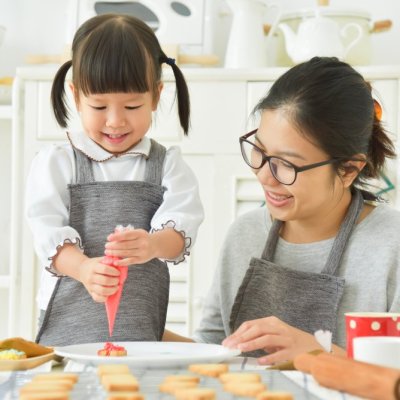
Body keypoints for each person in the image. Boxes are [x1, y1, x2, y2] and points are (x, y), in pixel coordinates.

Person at [189, 57, 400, 364]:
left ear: (348, 169)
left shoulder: (391, 245)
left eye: (286, 165)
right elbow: (211, 349)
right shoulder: (245, 234)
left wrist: (318, 354)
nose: (264, 176)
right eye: (260, 151)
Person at [25, 13, 204, 346]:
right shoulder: (58, 163)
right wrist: (82, 269)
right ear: (76, 96)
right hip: (66, 337)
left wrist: (153, 245)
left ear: (156, 95)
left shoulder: (168, 165)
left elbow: (181, 232)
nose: (116, 121)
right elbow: (46, 236)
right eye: (99, 106)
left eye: (133, 105)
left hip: (142, 336)